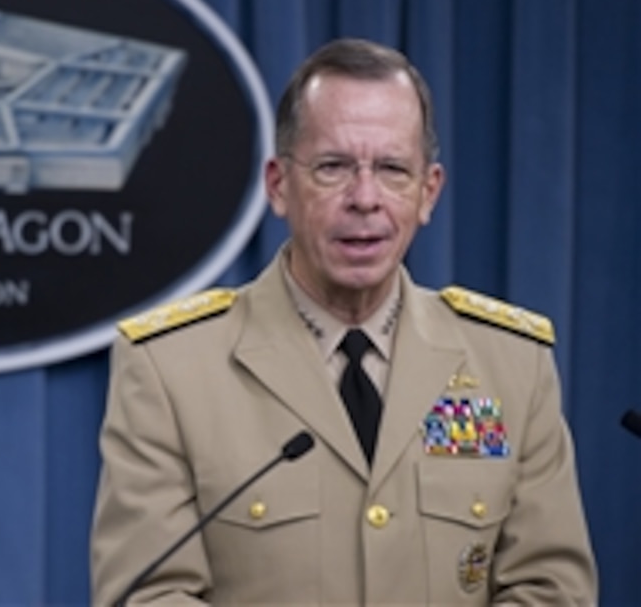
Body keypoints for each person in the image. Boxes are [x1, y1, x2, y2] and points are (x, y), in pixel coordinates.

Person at [90, 38, 597, 605]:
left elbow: (552, 588)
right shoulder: (170, 369)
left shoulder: (513, 365)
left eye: (392, 169)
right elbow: (145, 596)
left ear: (428, 193)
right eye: (333, 167)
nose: (365, 198)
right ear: (279, 185)